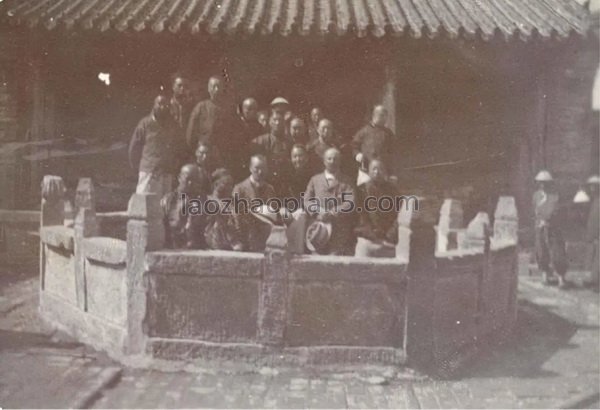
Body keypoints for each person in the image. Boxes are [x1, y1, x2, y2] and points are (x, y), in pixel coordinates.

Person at [129, 95, 185, 199]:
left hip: (167, 174)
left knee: (165, 207)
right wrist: (141, 168)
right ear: (154, 105)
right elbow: (134, 149)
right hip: (149, 173)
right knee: (145, 204)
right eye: (160, 104)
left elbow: (179, 148)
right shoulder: (145, 124)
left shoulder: (173, 125)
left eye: (166, 105)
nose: (163, 107)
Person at [304, 147, 356, 256]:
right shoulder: (315, 180)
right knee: (316, 263)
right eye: (329, 159)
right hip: (318, 231)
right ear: (324, 161)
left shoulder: (347, 181)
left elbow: (350, 202)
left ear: (340, 161)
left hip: (339, 232)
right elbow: (307, 200)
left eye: (336, 159)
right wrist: (318, 211)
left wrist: (332, 213)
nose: (332, 162)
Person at [232, 155, 277, 252]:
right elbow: (236, 216)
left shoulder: (270, 189)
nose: (260, 172)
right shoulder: (239, 189)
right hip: (244, 237)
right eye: (256, 168)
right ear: (250, 168)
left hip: (264, 238)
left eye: (263, 168)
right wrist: (240, 239)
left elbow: (272, 216)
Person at [354, 159, 398, 257]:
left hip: (387, 240)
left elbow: (398, 215)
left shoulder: (392, 190)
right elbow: (360, 214)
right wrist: (370, 234)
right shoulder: (361, 190)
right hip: (367, 239)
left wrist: (389, 235)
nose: (376, 172)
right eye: (374, 169)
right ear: (369, 171)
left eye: (380, 169)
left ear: (385, 172)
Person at [532, 170, 568, 287]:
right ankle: (544, 275)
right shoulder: (536, 196)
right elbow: (535, 211)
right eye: (540, 182)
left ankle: (561, 278)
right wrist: (539, 222)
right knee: (541, 251)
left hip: (553, 229)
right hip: (540, 228)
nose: (542, 185)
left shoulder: (555, 196)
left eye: (545, 183)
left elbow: (557, 211)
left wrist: (548, 221)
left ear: (550, 183)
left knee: (557, 253)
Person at [160, 164, 208, 249]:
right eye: (187, 179)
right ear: (179, 178)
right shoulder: (168, 200)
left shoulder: (203, 200)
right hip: (173, 247)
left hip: (197, 248)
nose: (190, 183)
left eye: (194, 180)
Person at [251, 112, 291, 196]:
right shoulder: (260, 140)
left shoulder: (289, 142)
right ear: (269, 122)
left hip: (284, 183)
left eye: (280, 120)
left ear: (284, 122)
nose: (277, 123)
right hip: (266, 182)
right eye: (275, 120)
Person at [204, 168, 244, 251]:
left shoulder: (233, 203)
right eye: (226, 184)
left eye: (231, 185)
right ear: (216, 184)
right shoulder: (208, 201)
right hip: (215, 244)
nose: (230, 187)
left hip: (235, 244)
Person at [351, 105, 395, 176]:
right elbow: (354, 146)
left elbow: (393, 151)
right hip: (367, 167)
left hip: (383, 168)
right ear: (374, 115)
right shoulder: (364, 131)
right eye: (382, 115)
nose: (385, 119)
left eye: (385, 116)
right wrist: (357, 154)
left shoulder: (388, 133)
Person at [186, 75, 226, 150]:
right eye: (214, 87)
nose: (216, 90)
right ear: (208, 89)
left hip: (221, 151)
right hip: (204, 149)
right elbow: (191, 131)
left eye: (219, 87)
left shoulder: (226, 108)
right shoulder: (201, 107)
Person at [584, 175, 599, 291]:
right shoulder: (594, 201)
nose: (592, 189)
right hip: (593, 236)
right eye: (590, 187)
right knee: (594, 259)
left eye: (594, 187)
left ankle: (597, 284)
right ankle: (595, 282)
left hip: (597, 236)